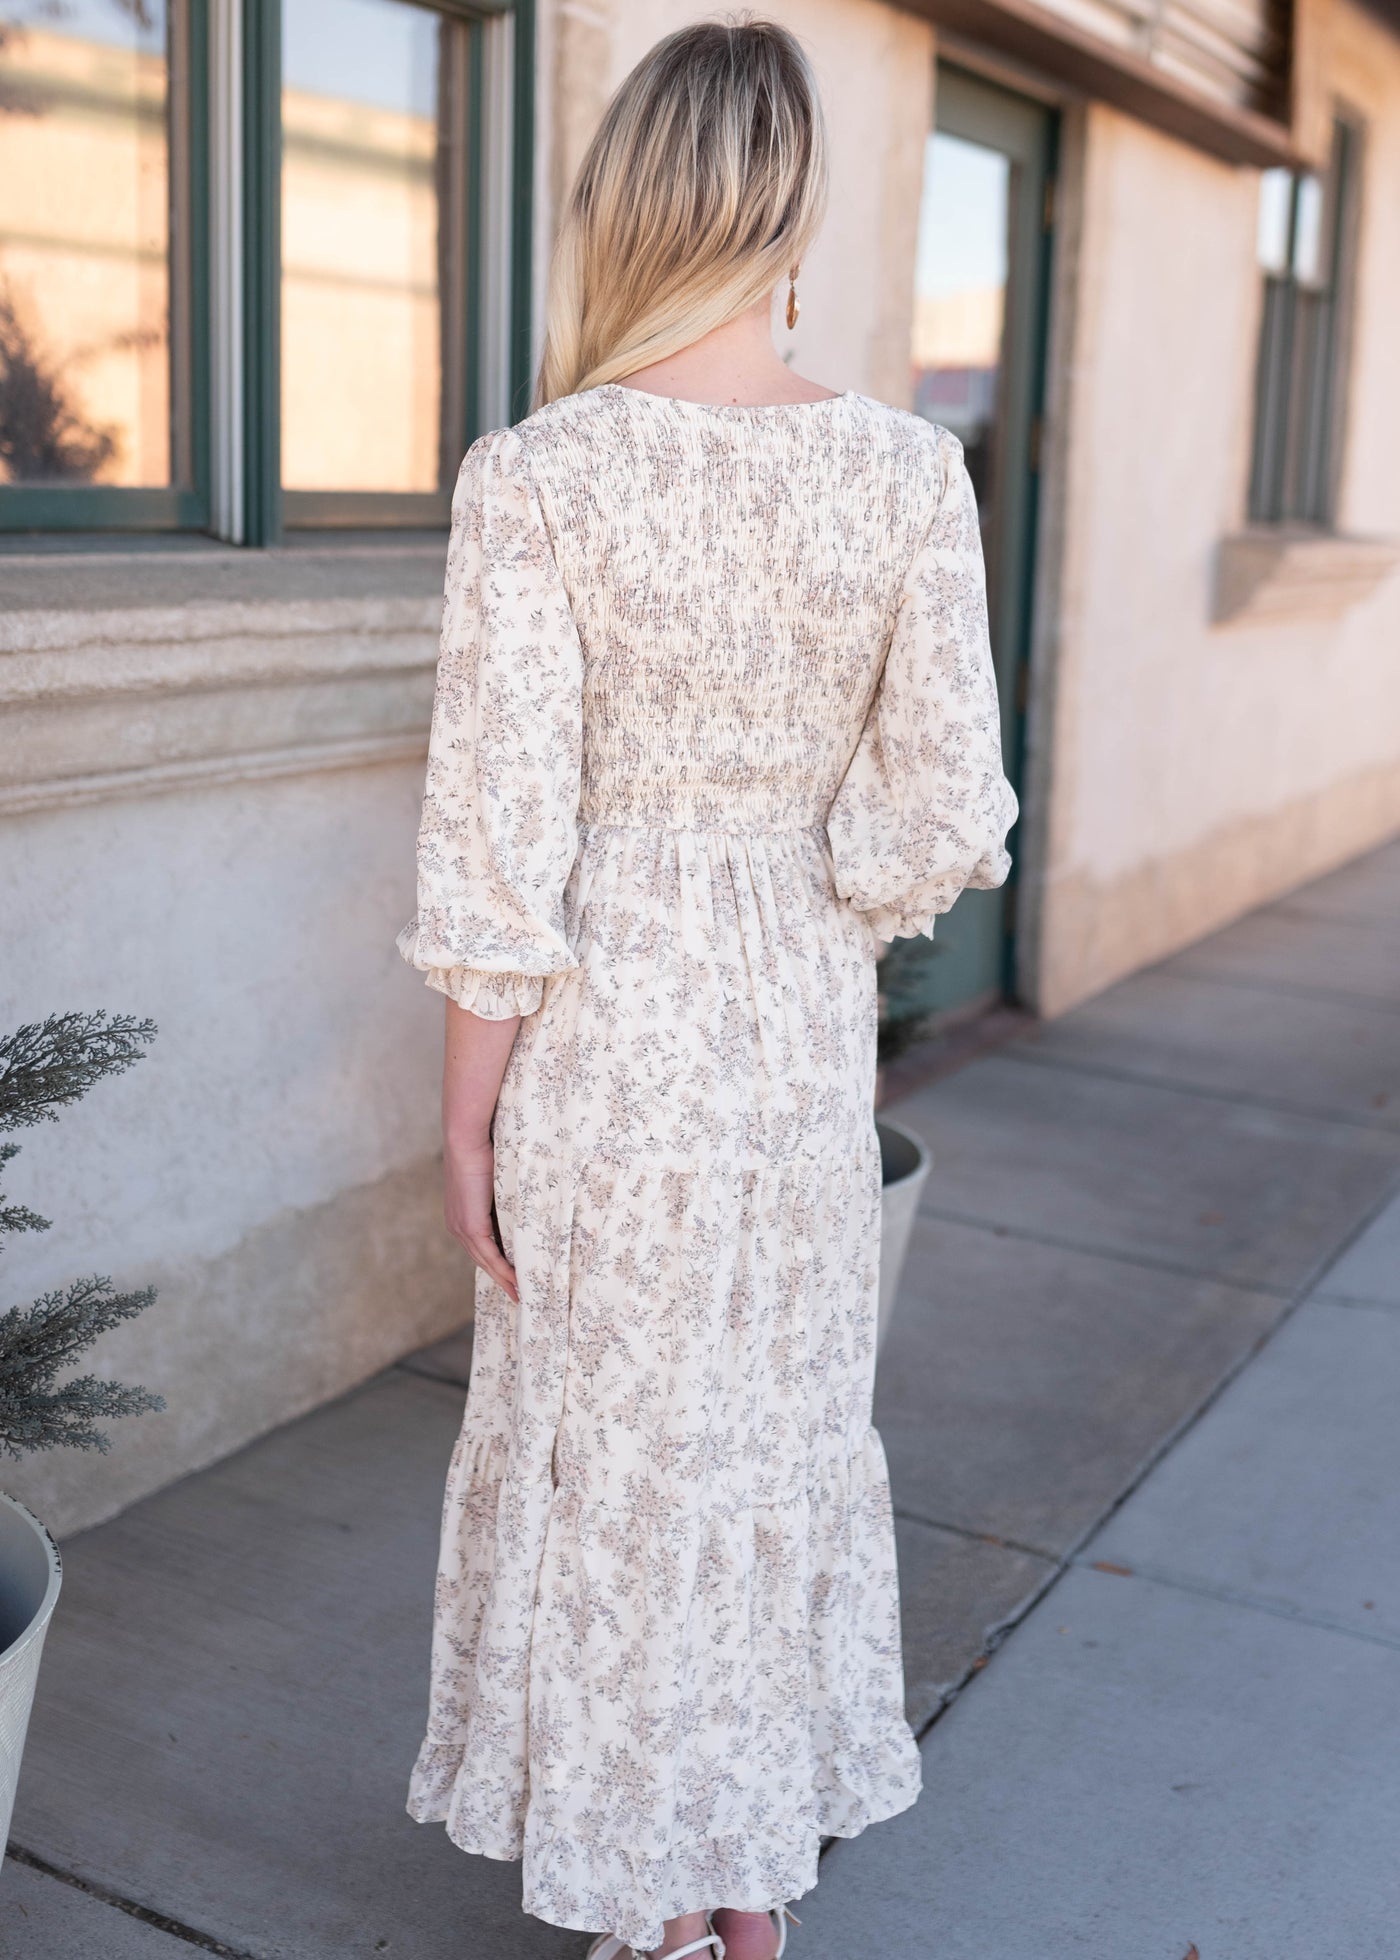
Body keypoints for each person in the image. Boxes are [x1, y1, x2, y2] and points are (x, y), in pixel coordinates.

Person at [395, 17, 1018, 1959]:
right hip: (793, 1066)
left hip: (604, 1062)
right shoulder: (908, 477)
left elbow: (497, 853)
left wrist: (464, 1115)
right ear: (789, 213)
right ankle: (741, 1895)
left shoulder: (541, 477)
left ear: (625, 206)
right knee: (763, 1460)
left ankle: (655, 1910)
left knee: (617, 1488)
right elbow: (945, 816)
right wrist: (799, 888)